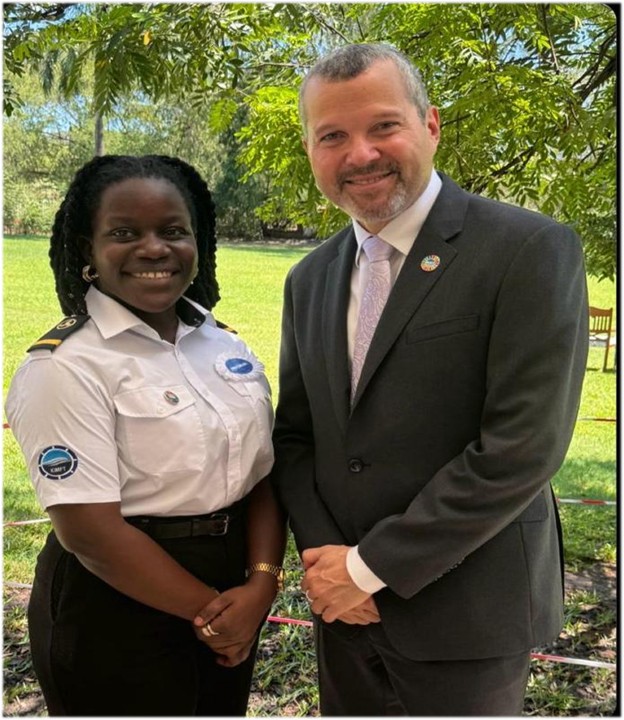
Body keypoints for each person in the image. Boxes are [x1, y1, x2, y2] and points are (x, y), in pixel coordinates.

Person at [270, 43, 588, 716]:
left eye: (383, 125)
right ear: (309, 149)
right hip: (343, 616)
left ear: (431, 125)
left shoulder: (528, 249)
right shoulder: (309, 279)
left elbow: (521, 448)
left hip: (467, 617)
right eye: (333, 136)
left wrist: (368, 569)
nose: (360, 154)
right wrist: (328, 559)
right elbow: (297, 436)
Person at [5, 154, 286, 716]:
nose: (155, 248)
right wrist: (215, 615)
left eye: (173, 230)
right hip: (114, 603)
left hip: (233, 587)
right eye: (124, 233)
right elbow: (91, 533)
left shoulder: (224, 345)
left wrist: (261, 585)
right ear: (88, 249)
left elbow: (260, 473)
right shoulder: (65, 366)